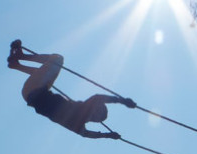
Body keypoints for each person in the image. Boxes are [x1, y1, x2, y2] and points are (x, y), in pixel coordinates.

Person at [7, 40, 136, 139]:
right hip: (32, 94)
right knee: (43, 72)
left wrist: (123, 101)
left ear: (96, 111)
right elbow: (86, 134)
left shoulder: (84, 111)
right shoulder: (77, 125)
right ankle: (16, 65)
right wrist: (107, 136)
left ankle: (21, 56)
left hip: (35, 90)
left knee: (57, 59)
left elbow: (98, 98)